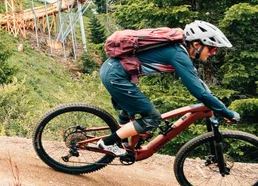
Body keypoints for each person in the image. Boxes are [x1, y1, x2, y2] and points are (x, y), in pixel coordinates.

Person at [97, 20, 240, 157]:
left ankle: (124, 143)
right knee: (152, 118)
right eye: (212, 48)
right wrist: (226, 112)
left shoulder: (179, 50)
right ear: (197, 44)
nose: (213, 53)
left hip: (112, 71)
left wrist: (214, 101)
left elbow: (197, 82)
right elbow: (198, 91)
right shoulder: (178, 54)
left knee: (133, 111)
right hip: (116, 77)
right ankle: (107, 142)